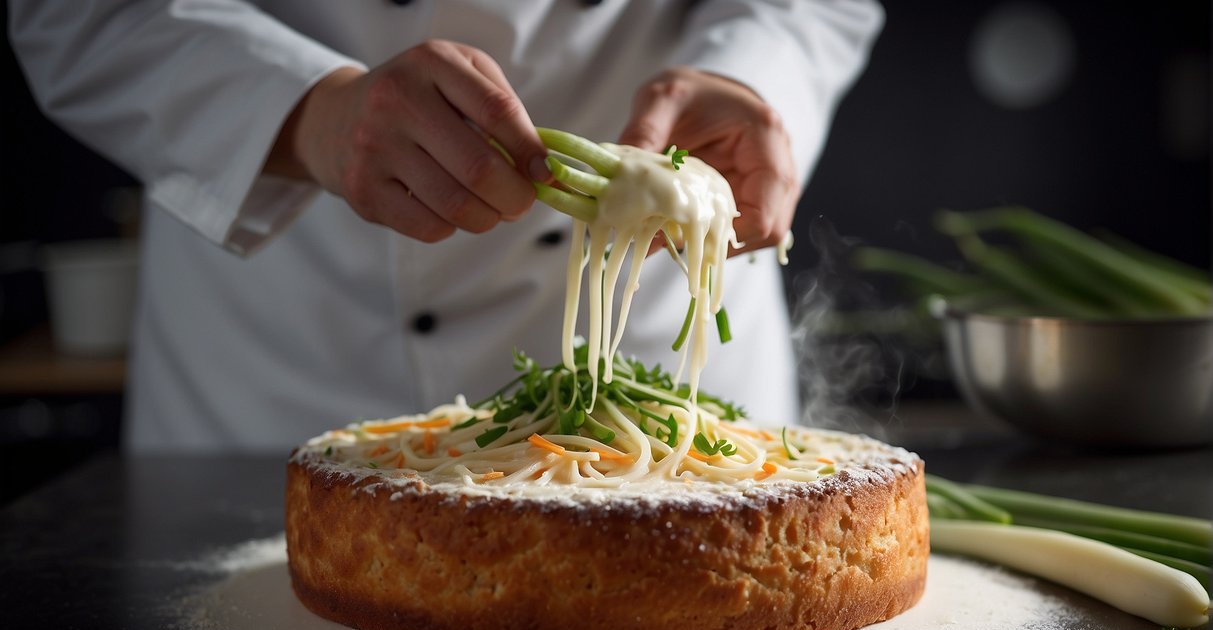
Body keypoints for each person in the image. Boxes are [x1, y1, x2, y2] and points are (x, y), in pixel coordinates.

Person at [9, 1, 884, 453]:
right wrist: (308, 114)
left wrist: (752, 74)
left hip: (659, 310)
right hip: (286, 347)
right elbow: (72, 14)